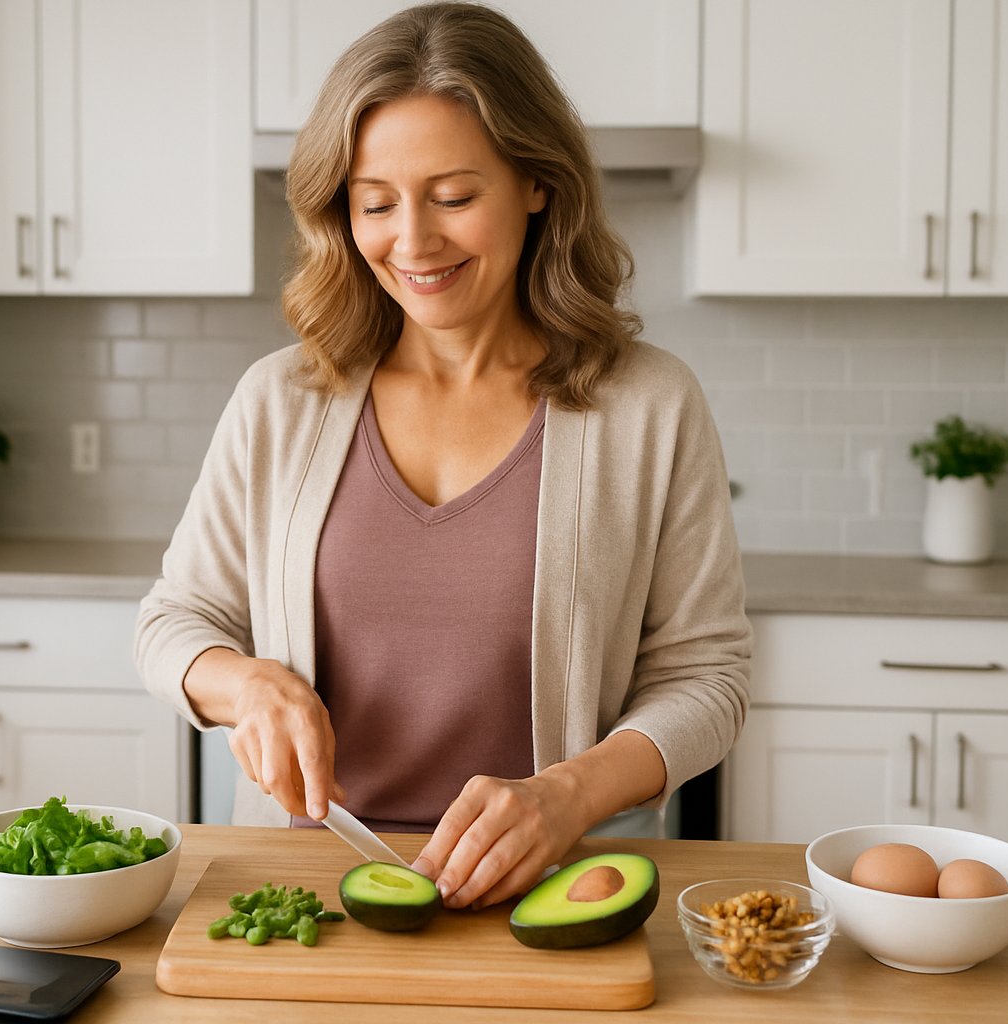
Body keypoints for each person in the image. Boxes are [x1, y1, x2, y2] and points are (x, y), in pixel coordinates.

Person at [135, 1, 750, 912]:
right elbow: (174, 622)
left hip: (561, 886)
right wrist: (246, 683)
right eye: (375, 202)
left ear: (538, 183)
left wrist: (568, 793)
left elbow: (708, 678)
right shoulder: (280, 400)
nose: (412, 242)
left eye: (454, 197)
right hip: (306, 889)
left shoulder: (649, 405)